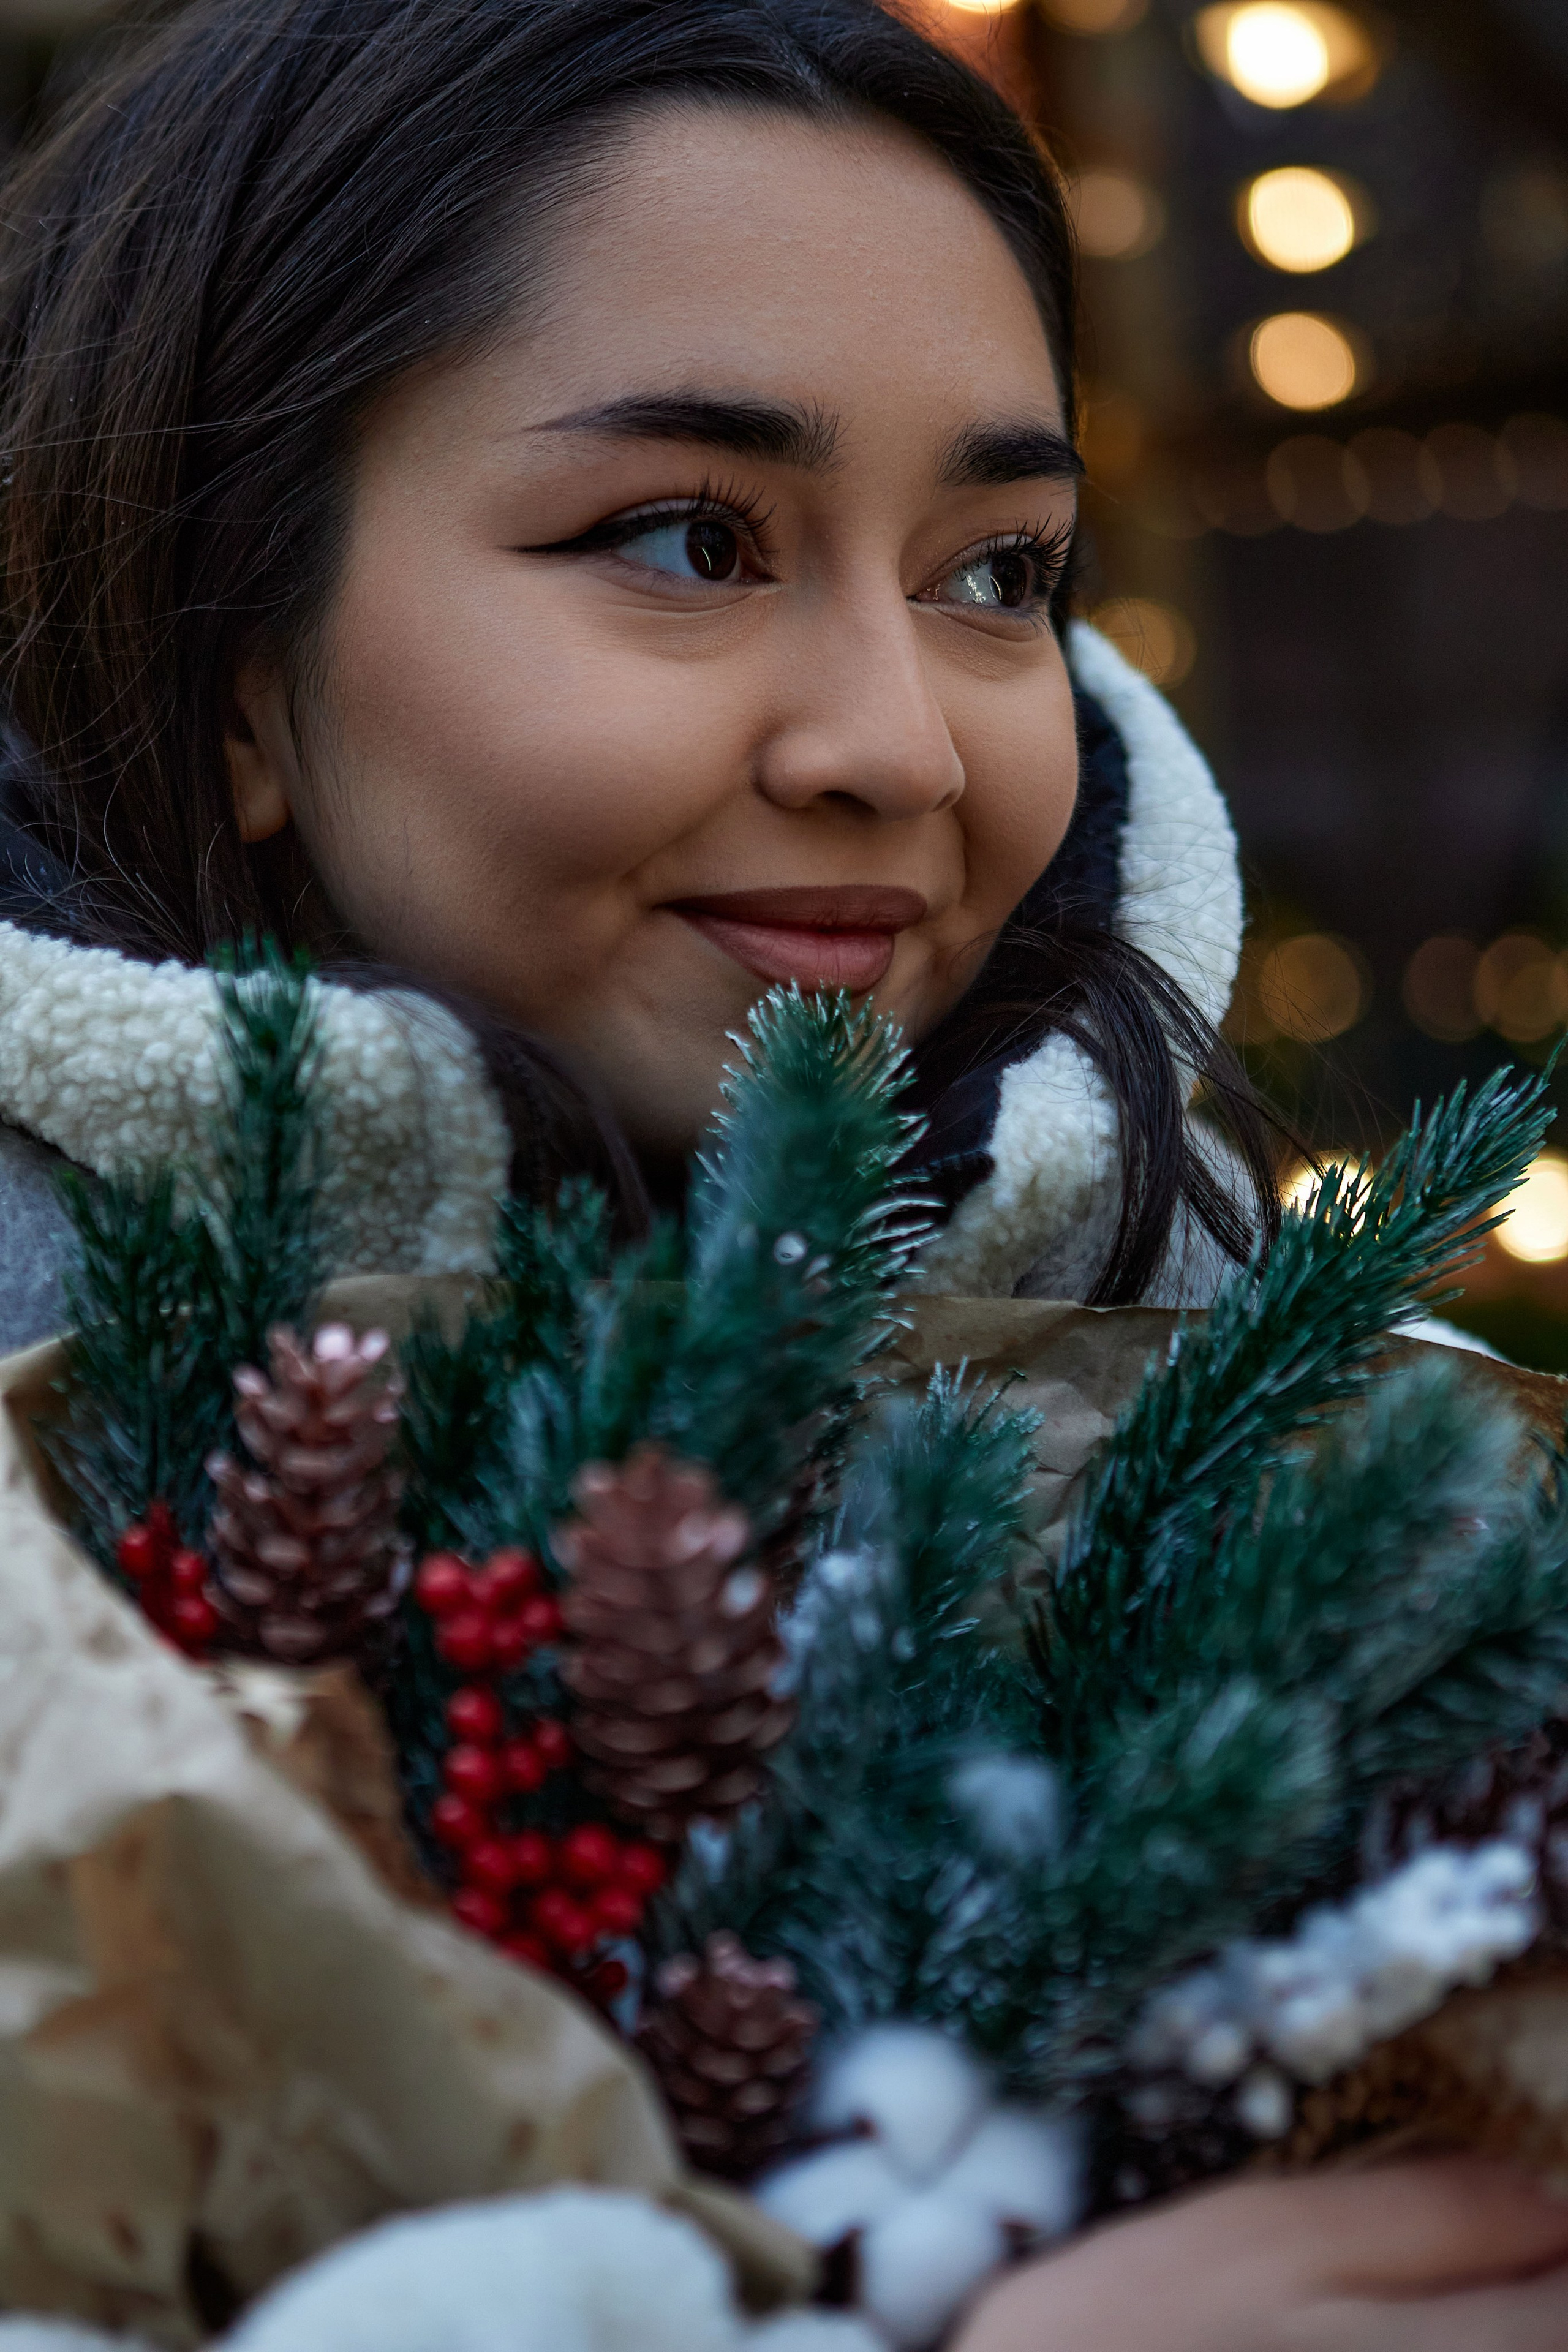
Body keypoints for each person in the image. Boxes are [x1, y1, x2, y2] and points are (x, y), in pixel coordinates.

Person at [0, 2, 1561, 2343]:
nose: (898, 745)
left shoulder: (1350, 1453)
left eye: (999, 571)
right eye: (690, 539)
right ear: (235, 663)